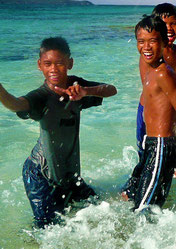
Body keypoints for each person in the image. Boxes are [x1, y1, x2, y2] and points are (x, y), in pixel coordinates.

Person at [0, 37, 117, 227]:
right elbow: (16, 104)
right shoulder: (41, 97)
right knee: (46, 228)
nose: (53, 69)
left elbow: (111, 90)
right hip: (40, 175)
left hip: (69, 175)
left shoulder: (77, 86)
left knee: (104, 210)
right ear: (40, 65)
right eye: (47, 64)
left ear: (70, 63)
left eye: (60, 63)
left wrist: (86, 91)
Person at [121, 15, 176, 210]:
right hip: (151, 143)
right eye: (141, 42)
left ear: (163, 43)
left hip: (162, 145)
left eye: (152, 41)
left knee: (144, 209)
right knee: (136, 197)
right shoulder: (150, 70)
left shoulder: (163, 73)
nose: (146, 47)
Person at [135, 3, 176, 160]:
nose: (170, 28)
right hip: (150, 112)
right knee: (148, 157)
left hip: (173, 112)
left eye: (174, 23)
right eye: (164, 24)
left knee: (173, 155)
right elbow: (149, 91)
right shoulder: (151, 54)